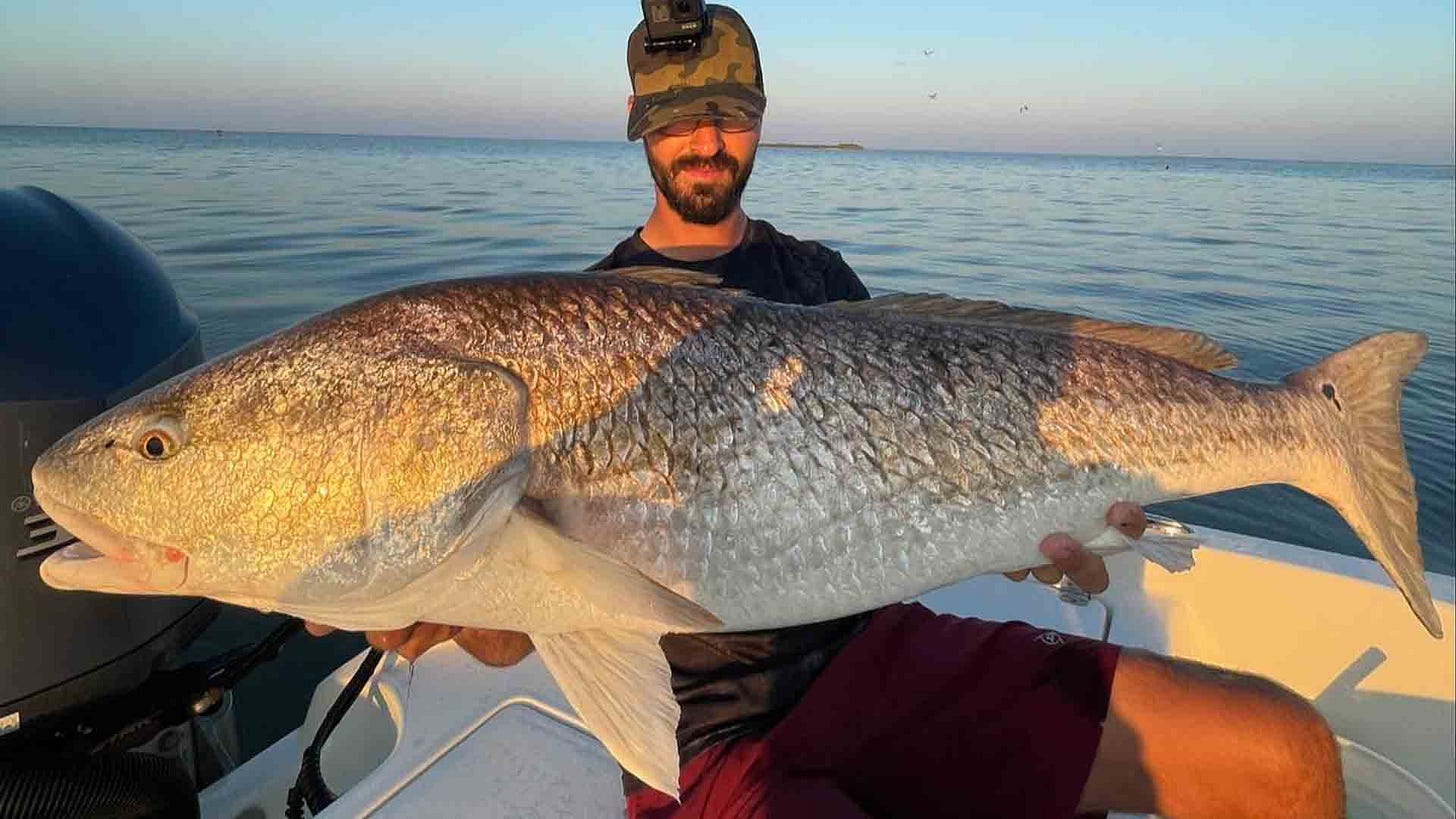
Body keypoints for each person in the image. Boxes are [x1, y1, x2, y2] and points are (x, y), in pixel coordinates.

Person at [312, 7, 1343, 817]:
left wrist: (1034, 532)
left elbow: (928, 472)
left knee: (1283, 754)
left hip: (878, 652)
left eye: (726, 112)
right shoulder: (562, 325)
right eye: (674, 121)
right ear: (640, 133)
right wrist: (437, 594)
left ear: (759, 116)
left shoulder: (819, 278)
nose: (703, 141)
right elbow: (512, 638)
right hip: (709, 729)